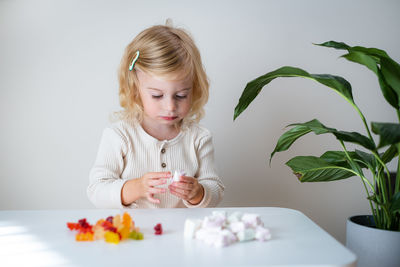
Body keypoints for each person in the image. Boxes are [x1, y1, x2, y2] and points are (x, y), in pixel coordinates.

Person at [87, 22, 224, 209]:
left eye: (181, 95)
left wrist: (199, 193)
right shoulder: (119, 136)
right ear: (135, 89)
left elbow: (215, 188)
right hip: (134, 235)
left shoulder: (199, 138)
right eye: (157, 95)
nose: (170, 106)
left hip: (182, 234)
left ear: (195, 89)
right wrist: (134, 187)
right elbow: (96, 190)